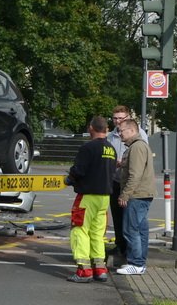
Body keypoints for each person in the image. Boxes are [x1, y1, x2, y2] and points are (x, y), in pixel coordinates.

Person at [65, 116, 117, 283]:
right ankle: (99, 268)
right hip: (104, 198)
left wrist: (69, 178)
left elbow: (79, 170)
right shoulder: (111, 149)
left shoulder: (88, 148)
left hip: (87, 196)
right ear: (106, 130)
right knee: (96, 233)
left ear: (91, 128)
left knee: (79, 230)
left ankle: (83, 270)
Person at [107, 105, 147, 266]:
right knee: (117, 217)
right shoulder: (111, 136)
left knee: (132, 222)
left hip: (130, 184)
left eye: (121, 118)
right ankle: (120, 247)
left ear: (128, 118)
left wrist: (122, 164)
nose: (118, 122)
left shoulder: (139, 136)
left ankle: (135, 257)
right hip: (116, 180)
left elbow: (138, 162)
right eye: (115, 118)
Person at [116, 118, 155, 275]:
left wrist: (124, 194)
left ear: (132, 130)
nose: (119, 134)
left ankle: (136, 263)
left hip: (137, 195)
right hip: (142, 194)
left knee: (131, 230)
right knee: (140, 229)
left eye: (122, 131)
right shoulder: (136, 146)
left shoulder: (137, 147)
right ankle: (140, 263)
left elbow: (135, 174)